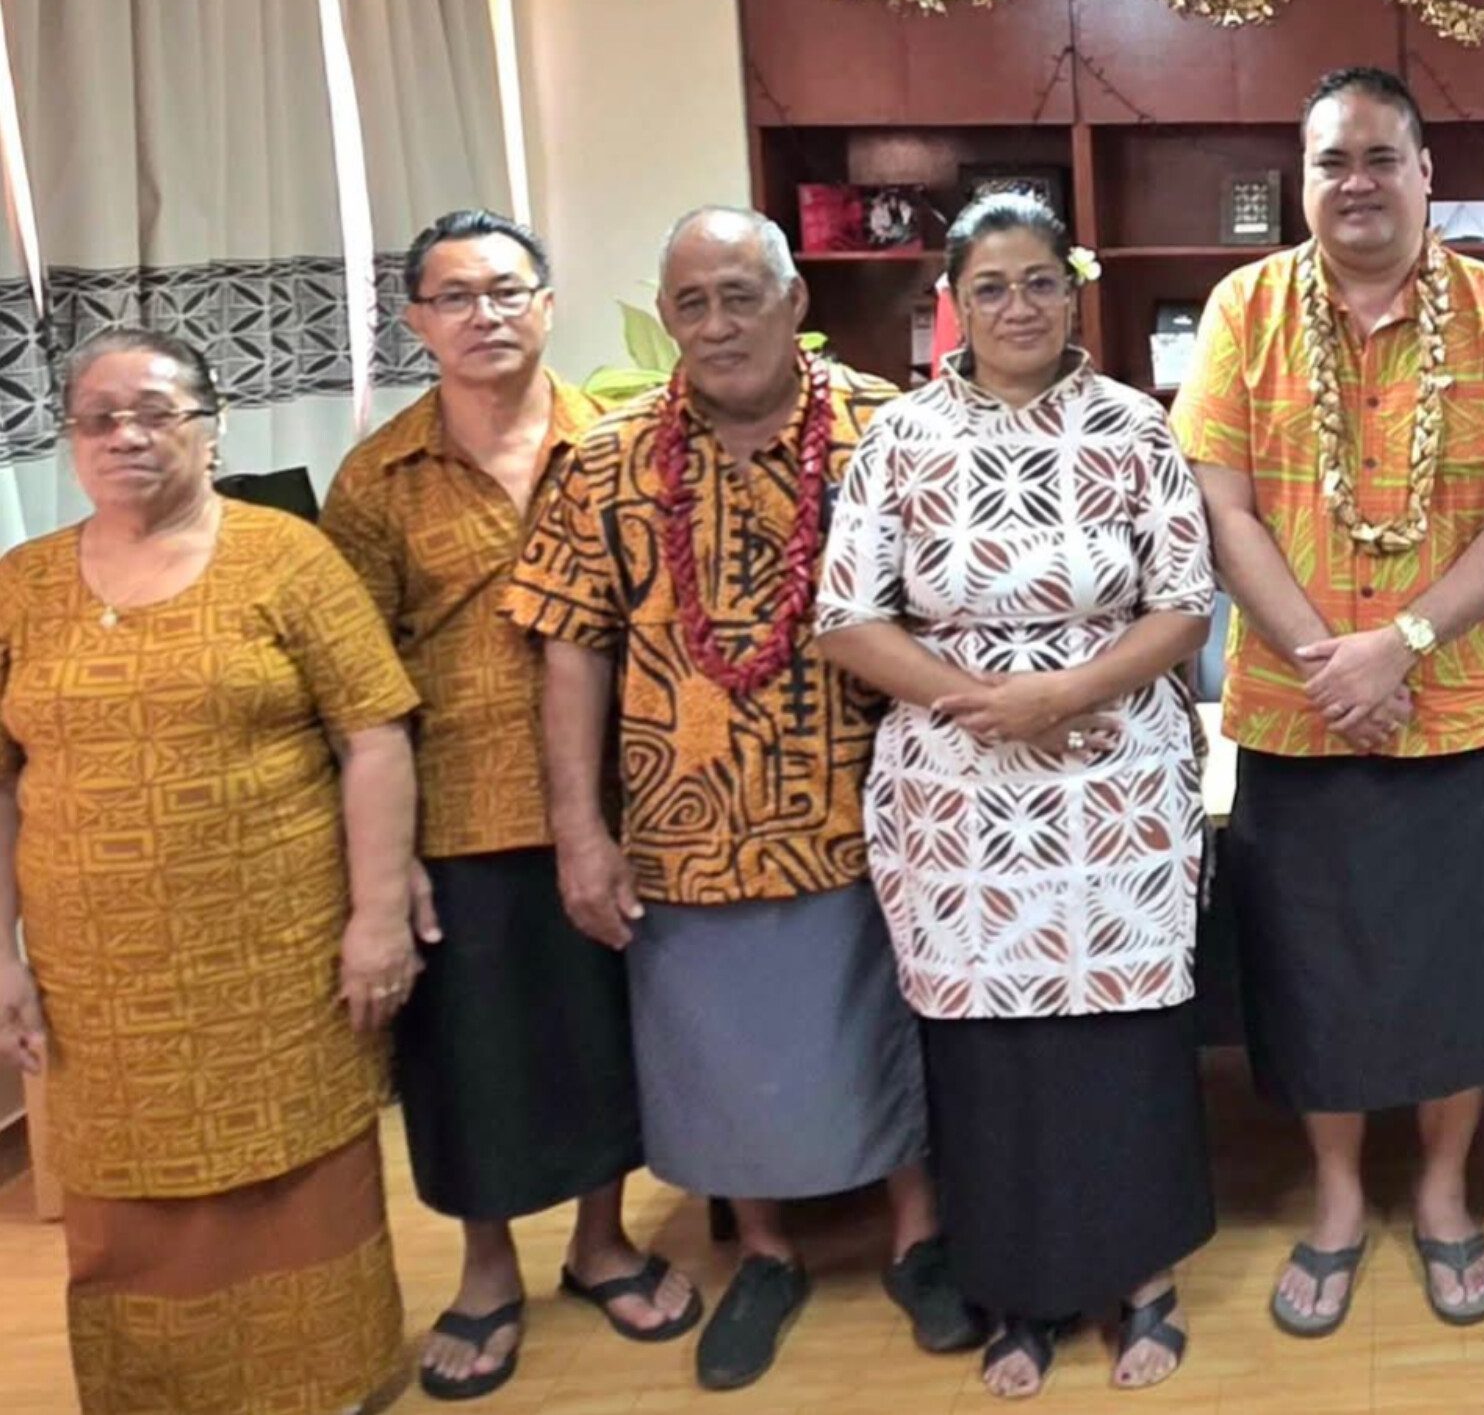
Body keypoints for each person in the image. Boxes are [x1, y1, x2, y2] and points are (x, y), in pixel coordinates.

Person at [503, 207, 978, 1392]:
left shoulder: (893, 431)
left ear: (794, 300)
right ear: (667, 317)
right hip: (686, 827)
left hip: (874, 814)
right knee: (720, 1047)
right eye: (692, 303)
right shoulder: (604, 461)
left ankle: (919, 1237)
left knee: (888, 1027)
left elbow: (960, 612)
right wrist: (578, 829)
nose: (717, 324)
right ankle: (763, 1251)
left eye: (740, 295)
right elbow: (571, 650)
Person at [1170, 65, 1484, 1335]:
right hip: (1298, 713)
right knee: (1313, 974)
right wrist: (1331, 658)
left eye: (1378, 158)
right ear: (1303, 180)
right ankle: (1342, 1195)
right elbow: (1220, 506)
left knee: (1461, 972)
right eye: (1331, 162)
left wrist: (1402, 644)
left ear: (1424, 174)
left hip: (1459, 708)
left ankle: (1448, 1189)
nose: (1355, 183)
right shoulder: (1244, 308)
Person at [816, 194, 1218, 1400]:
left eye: (1040, 281)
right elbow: (846, 617)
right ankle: (1015, 1290)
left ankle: (1142, 1274)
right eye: (990, 286)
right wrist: (982, 701)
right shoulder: (899, 436)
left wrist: (1066, 692)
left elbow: (1183, 605)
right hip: (958, 788)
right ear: (955, 301)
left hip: (1116, 782)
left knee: (1122, 1036)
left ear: (1071, 291)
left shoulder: (1134, 425)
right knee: (989, 1048)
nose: (1018, 306)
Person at [0, 329, 419, 1413]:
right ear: (71, 438)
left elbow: (376, 734)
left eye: (156, 412)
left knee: (302, 1177)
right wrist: (2, 954)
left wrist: (379, 916)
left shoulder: (287, 557)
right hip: (98, 979)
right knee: (122, 1201)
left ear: (212, 427)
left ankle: (326, 1385)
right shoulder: (23, 584)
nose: (126, 436)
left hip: (277, 953)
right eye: (99, 418)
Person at [321, 210, 697, 1401]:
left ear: (546, 305)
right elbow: (352, 685)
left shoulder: (624, 445)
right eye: (455, 297)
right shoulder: (376, 479)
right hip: (456, 810)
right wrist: (383, 858)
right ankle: (487, 1268)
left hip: (625, 795)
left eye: (504, 291)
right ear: (417, 321)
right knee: (468, 1057)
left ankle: (602, 1242)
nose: (483, 315)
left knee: (601, 1034)